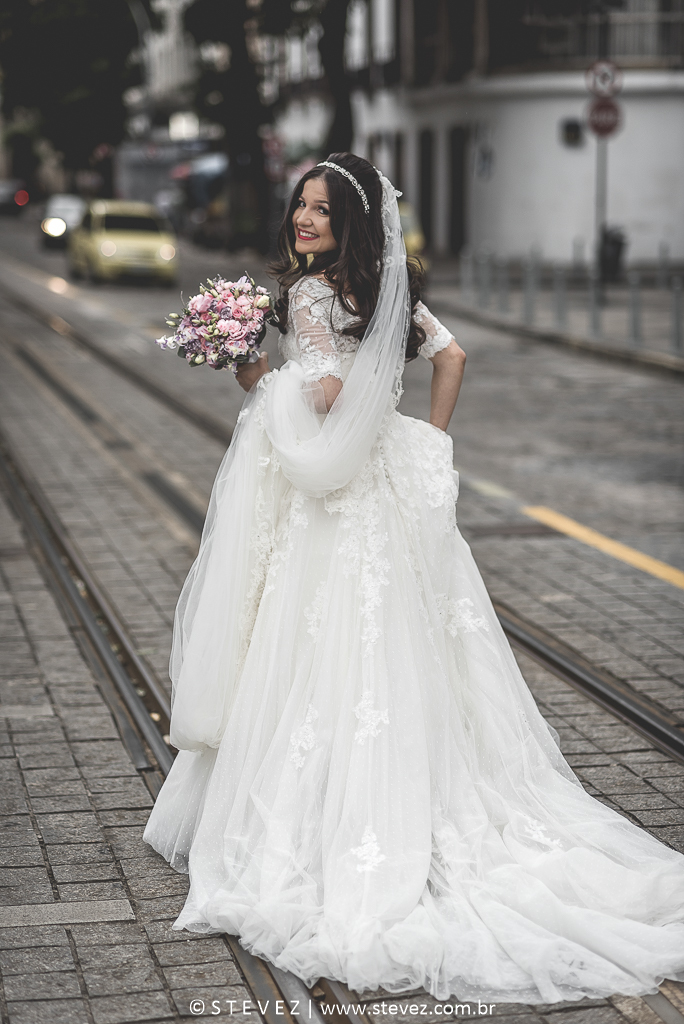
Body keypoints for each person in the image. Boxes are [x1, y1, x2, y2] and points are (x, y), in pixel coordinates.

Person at [144, 154, 684, 1003]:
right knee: (404, 637)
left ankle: (332, 819)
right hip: (385, 480)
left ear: (351, 221)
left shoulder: (312, 293)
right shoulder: (376, 289)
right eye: (300, 206)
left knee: (320, 645)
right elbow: (452, 356)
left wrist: (269, 376)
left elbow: (323, 396)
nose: (305, 219)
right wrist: (426, 436)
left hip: (331, 498)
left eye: (322, 211)